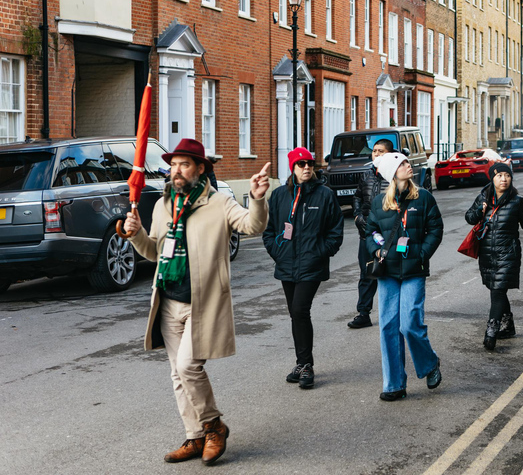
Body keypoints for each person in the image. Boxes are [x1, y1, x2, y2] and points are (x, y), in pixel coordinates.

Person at [122, 138, 270, 466]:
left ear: (200, 169)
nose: (177, 170)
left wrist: (258, 199)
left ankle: (214, 424)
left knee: (189, 367)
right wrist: (136, 235)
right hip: (168, 302)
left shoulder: (218, 202)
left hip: (203, 304)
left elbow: (253, 225)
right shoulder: (163, 205)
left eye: (184, 164)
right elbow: (156, 253)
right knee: (177, 374)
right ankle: (195, 435)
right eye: (173, 164)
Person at [263, 147, 344, 390]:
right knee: (295, 313)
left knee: (300, 309)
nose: (307, 167)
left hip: (312, 264)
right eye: (301, 164)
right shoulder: (278, 195)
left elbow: (335, 231)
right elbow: (269, 231)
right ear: (292, 168)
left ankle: (306, 365)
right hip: (286, 263)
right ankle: (301, 363)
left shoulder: (325, 195)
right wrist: (277, 252)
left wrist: (322, 252)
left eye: (310, 163)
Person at [365, 152, 443, 401]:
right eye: (403, 164)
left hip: (413, 270)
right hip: (387, 271)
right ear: (392, 172)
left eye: (408, 163)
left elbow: (436, 229)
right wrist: (377, 249)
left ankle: (429, 364)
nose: (409, 166)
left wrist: (422, 253)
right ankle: (394, 384)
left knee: (409, 324)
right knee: (388, 327)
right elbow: (370, 232)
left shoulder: (424, 197)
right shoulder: (379, 202)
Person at [465, 163, 523, 350]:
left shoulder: (517, 202)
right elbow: (469, 217)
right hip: (486, 253)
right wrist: (480, 211)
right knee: (496, 289)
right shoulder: (483, 198)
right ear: (492, 178)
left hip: (508, 254)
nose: (504, 179)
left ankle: (491, 331)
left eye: (507, 175)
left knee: (498, 291)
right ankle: (508, 325)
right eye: (499, 175)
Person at [348, 138, 393, 329]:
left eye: (380, 151)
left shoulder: (394, 177)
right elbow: (357, 197)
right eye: (374, 151)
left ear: (389, 154)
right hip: (366, 234)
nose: (376, 154)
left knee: (389, 274)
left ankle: (390, 314)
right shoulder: (366, 175)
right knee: (367, 273)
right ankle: (363, 313)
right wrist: (358, 216)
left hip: (388, 236)